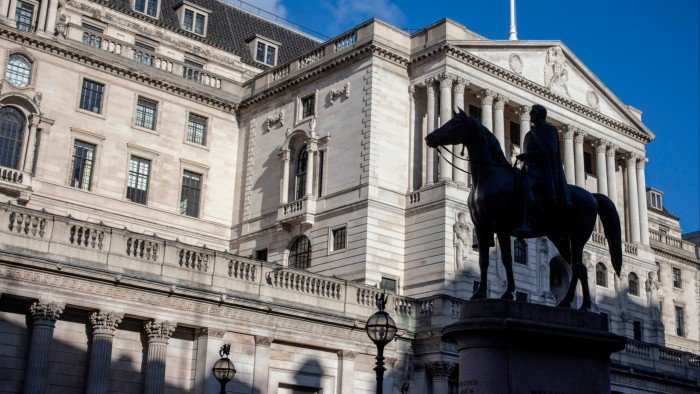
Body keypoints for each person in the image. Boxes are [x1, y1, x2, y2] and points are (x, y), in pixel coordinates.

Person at [513, 104, 571, 236]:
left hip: (543, 172)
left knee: (526, 186)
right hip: (529, 169)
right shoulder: (531, 132)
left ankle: (527, 221)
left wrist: (528, 156)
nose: (530, 114)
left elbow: (551, 151)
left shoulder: (549, 130)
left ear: (540, 114)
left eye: (533, 112)